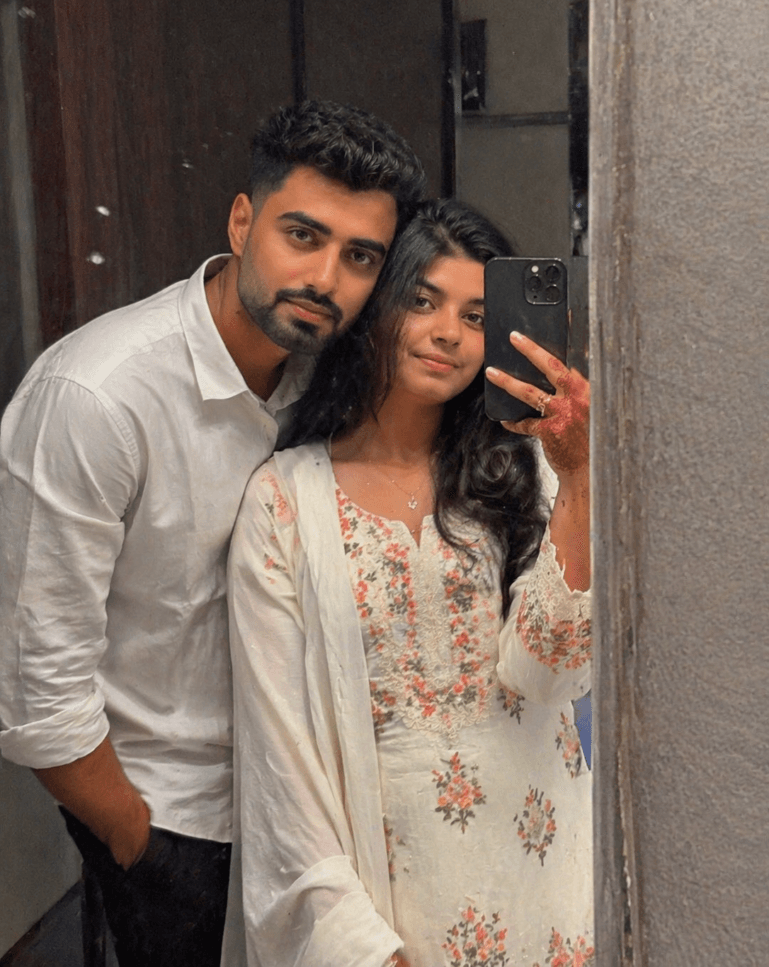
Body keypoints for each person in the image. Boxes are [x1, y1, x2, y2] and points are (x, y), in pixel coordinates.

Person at [0, 99, 425, 967]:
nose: (324, 278)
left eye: (359, 257)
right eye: (301, 236)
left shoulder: (328, 382)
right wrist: (136, 840)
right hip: (176, 823)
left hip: (314, 804)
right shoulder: (98, 398)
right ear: (241, 221)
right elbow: (39, 692)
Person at [227, 198, 593, 967]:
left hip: (549, 881)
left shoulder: (529, 474)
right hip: (392, 897)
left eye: (474, 316)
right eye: (422, 302)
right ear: (375, 310)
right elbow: (279, 756)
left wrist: (580, 480)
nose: (447, 333)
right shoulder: (286, 501)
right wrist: (361, 946)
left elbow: (550, 674)